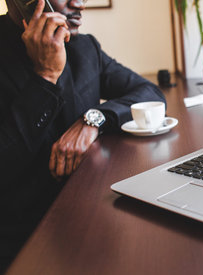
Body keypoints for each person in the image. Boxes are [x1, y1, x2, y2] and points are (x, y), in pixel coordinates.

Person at [0, 0, 166, 271]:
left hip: (90, 218)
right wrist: (46, 76)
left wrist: (93, 120)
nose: (79, 3)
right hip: (22, 241)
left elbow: (149, 93)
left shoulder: (85, 48)